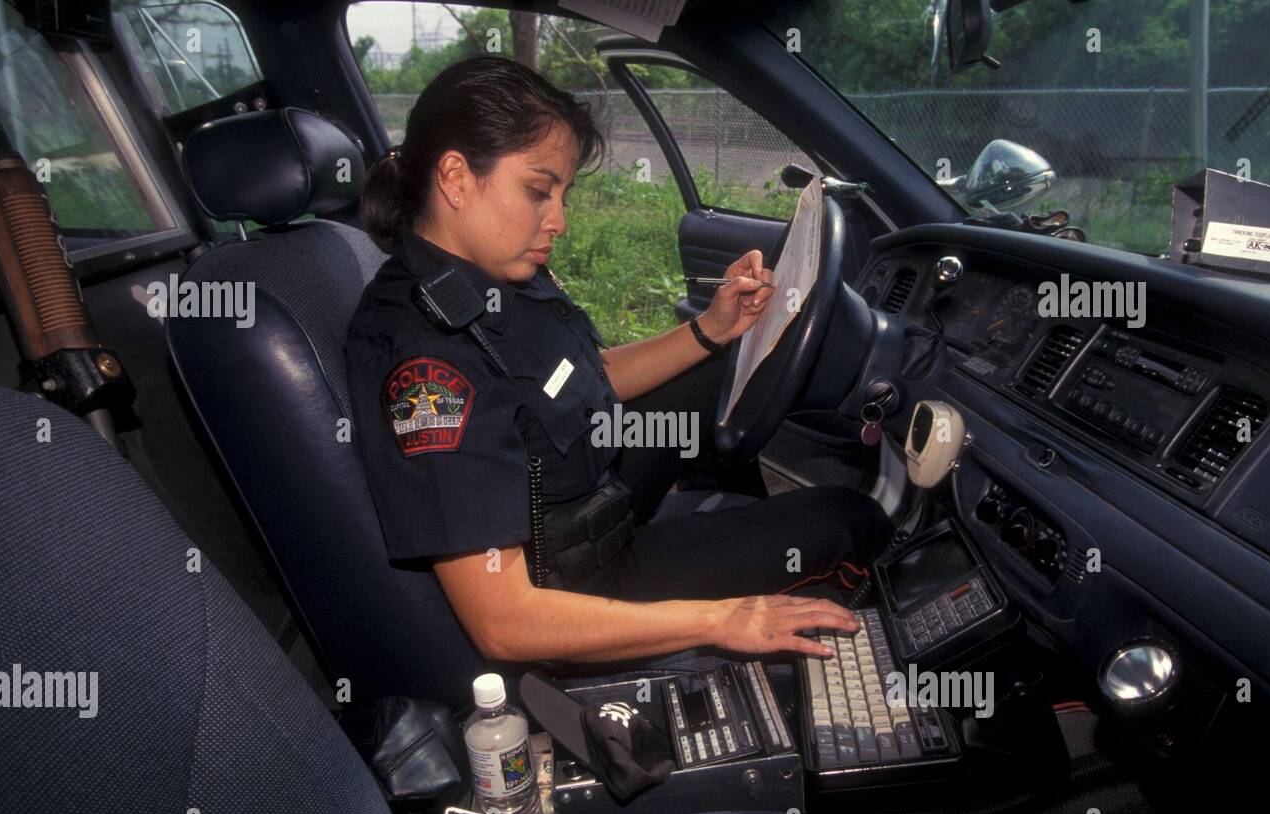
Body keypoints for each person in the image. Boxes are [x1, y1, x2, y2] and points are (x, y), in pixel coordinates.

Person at [345, 56, 893, 669]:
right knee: (851, 518)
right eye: (538, 190)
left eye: (563, 194)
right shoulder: (428, 366)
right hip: (576, 587)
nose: (559, 221)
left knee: (716, 367)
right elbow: (505, 624)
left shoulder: (489, 272)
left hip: (584, 492)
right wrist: (727, 617)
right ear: (455, 177)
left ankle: (730, 519)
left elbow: (584, 379)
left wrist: (712, 331)